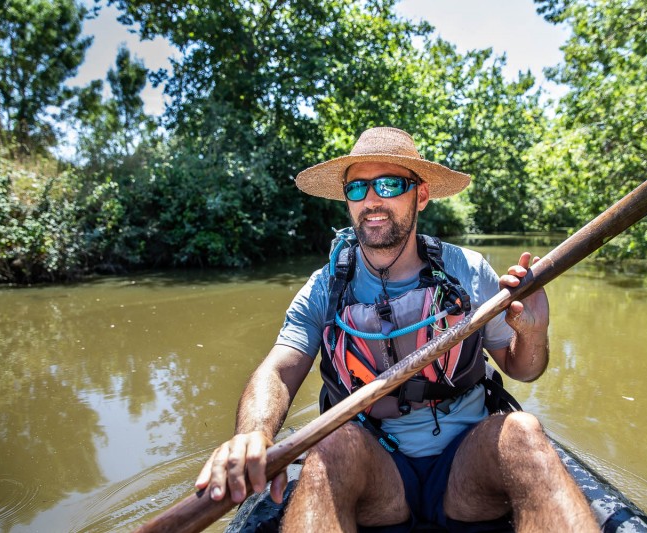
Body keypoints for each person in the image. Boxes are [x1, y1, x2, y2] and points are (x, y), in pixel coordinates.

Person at [195, 127, 598, 532]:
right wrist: (252, 434)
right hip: (377, 471)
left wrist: (532, 331)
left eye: (389, 184)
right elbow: (279, 369)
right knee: (331, 445)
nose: (372, 200)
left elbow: (524, 369)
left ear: (421, 195)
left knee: (524, 432)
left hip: (467, 465)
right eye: (357, 189)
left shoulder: (467, 270)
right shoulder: (325, 286)